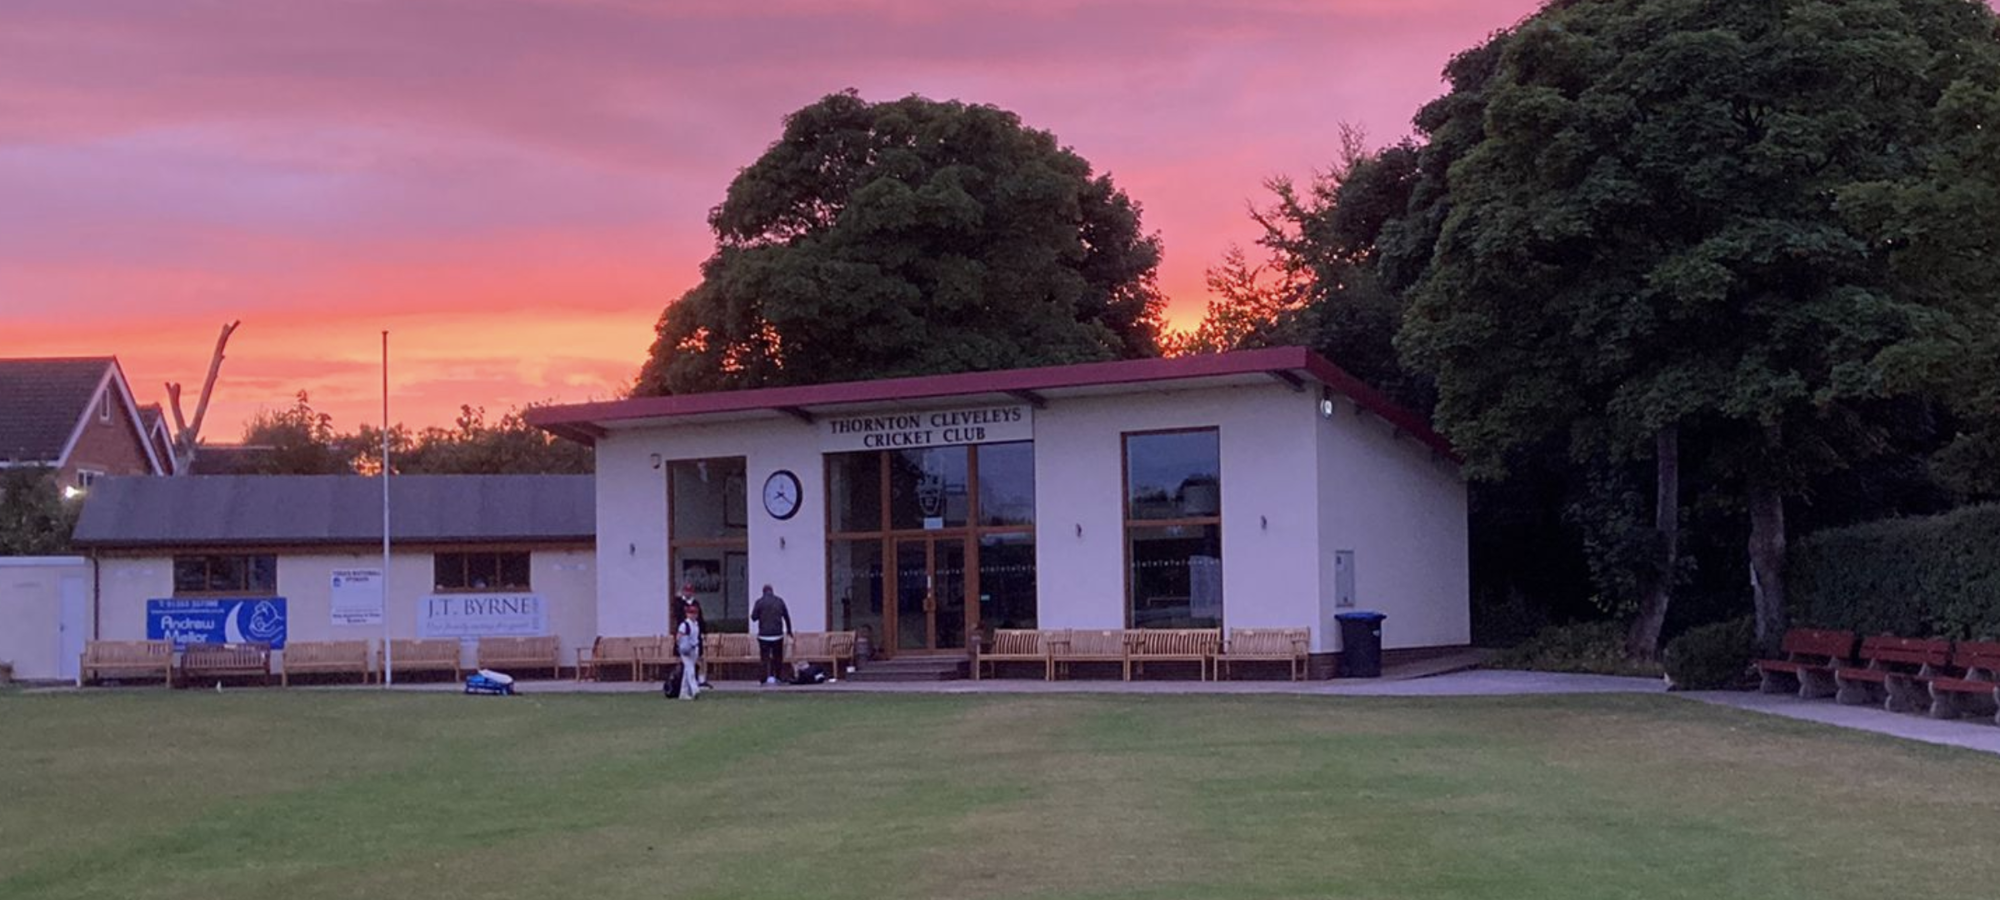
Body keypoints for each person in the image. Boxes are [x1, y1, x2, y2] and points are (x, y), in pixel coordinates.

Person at [750, 584, 793, 685]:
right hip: (777, 634)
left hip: (764, 635)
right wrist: (789, 631)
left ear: (763, 592)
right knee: (777, 657)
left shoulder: (759, 602)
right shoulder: (779, 601)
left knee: (764, 658)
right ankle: (778, 677)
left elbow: (753, 618)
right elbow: (786, 616)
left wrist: (760, 614)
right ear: (772, 591)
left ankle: (763, 679)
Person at [674, 600, 704, 700]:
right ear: (687, 614)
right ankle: (695, 690)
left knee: (687, 670)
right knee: (690, 669)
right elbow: (678, 636)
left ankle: (683, 693)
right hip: (685, 650)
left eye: (695, 613)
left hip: (694, 649)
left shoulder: (696, 624)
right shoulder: (684, 624)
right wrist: (680, 647)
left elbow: (697, 637)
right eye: (691, 613)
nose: (693, 615)